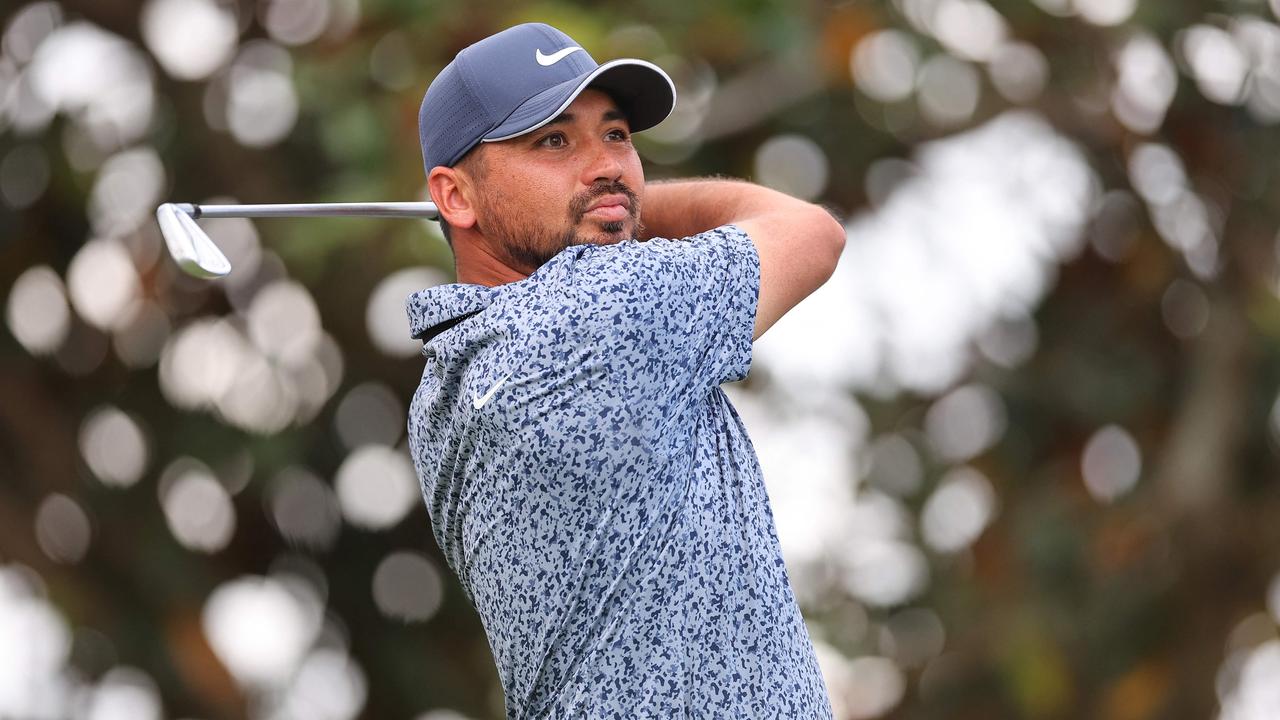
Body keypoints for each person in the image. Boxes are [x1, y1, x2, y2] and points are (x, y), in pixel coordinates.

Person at [407, 22, 844, 719]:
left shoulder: (443, 389)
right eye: (553, 141)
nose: (606, 164)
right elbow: (811, 233)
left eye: (615, 136)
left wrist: (604, 206)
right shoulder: (605, 312)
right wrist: (626, 207)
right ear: (455, 198)